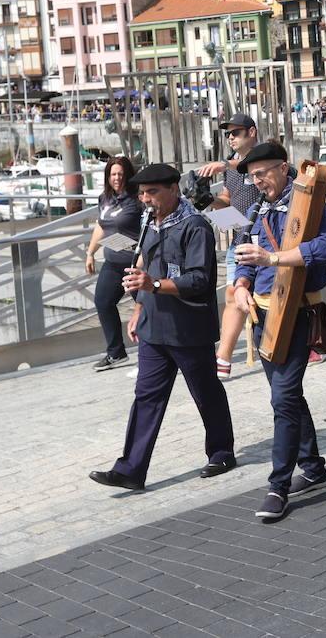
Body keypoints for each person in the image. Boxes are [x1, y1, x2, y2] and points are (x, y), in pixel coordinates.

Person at [88, 164, 236, 491]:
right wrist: (139, 305)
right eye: (142, 194)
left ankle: (222, 451)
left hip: (188, 326)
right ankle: (130, 469)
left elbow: (199, 279)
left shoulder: (195, 226)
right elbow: (146, 264)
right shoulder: (148, 222)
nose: (146, 200)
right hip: (154, 325)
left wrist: (153, 285)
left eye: (152, 193)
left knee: (205, 391)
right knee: (146, 396)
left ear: (173, 189)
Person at [231, 143, 326, 521]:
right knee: (287, 397)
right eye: (252, 177)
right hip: (263, 318)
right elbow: (246, 254)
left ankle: (278, 486)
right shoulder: (258, 209)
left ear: (284, 168)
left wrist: (272, 259)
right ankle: (313, 466)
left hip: (298, 313)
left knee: (283, 399)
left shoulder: (308, 201)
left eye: (263, 174)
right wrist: (241, 285)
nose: (257, 182)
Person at [197, 114, 263, 380]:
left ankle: (222, 358)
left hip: (263, 239)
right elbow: (228, 199)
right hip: (239, 238)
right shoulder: (232, 170)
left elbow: (248, 167)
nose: (231, 138)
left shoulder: (263, 159)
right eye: (228, 134)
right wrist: (210, 201)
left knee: (245, 295)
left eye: (235, 132)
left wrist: (224, 165)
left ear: (252, 132)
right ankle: (223, 357)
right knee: (231, 296)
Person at [85, 156, 142, 372]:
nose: (116, 178)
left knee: (146, 309)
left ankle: (154, 354)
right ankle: (116, 352)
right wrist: (90, 253)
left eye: (120, 174)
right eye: (112, 174)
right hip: (112, 261)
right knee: (103, 302)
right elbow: (101, 226)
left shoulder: (137, 199)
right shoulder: (105, 199)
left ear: (127, 174)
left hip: (135, 263)